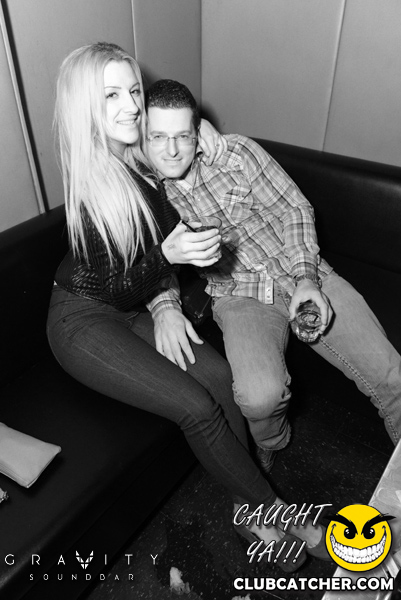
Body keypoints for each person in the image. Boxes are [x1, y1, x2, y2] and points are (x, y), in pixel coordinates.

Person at [46, 42, 330, 571]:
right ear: (85, 106)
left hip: (128, 306)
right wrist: (166, 260)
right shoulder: (90, 183)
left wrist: (206, 136)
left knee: (220, 378)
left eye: (133, 90)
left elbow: (174, 136)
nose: (132, 105)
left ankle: (246, 503)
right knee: (194, 406)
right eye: (111, 95)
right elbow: (113, 286)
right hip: (81, 320)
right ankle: (272, 511)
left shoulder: (133, 152)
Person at [144, 78, 401, 476]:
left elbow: (294, 209)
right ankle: (272, 443)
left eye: (182, 135)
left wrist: (306, 278)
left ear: (197, 132)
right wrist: (165, 307)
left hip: (301, 272)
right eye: (158, 136)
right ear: (142, 137)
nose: (172, 149)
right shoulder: (144, 196)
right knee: (259, 398)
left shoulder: (237, 153)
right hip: (238, 295)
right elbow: (150, 259)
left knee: (392, 376)